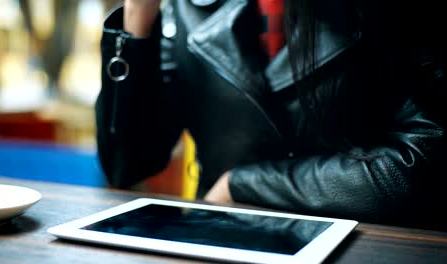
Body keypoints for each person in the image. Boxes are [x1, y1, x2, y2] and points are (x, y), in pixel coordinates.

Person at [96, 0, 446, 230]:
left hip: (365, 242)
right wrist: (135, 24)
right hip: (220, 238)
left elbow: (424, 164)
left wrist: (244, 185)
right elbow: (127, 165)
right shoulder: (186, 9)